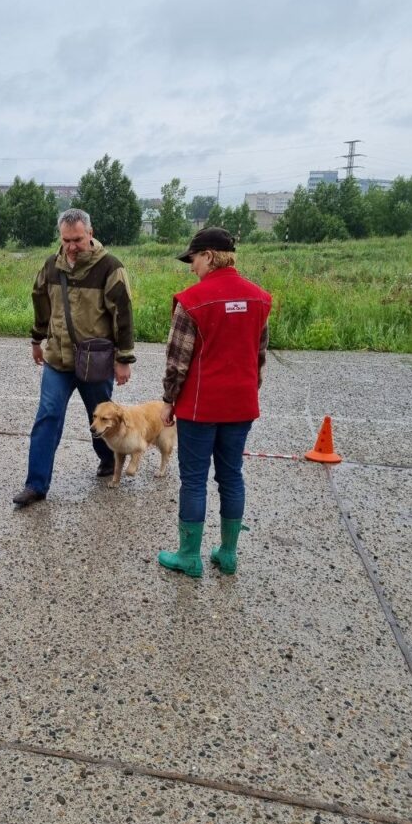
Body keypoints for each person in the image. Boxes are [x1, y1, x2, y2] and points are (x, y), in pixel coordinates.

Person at [157, 227, 272, 577]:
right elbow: (259, 356)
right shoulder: (260, 299)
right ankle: (228, 553)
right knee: (231, 475)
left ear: (208, 255)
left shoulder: (192, 301)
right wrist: (249, 391)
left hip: (199, 407)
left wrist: (168, 400)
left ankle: (189, 556)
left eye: (193, 259)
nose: (192, 267)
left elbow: (177, 361)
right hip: (241, 405)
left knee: (194, 480)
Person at [13, 208, 135, 508]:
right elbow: (40, 302)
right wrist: (37, 339)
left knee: (102, 417)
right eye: (66, 240)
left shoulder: (110, 267)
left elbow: (123, 315)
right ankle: (35, 485)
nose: (71, 246)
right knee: (47, 416)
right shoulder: (51, 266)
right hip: (58, 359)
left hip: (96, 360)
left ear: (90, 234)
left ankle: (109, 458)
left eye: (77, 239)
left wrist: (123, 358)